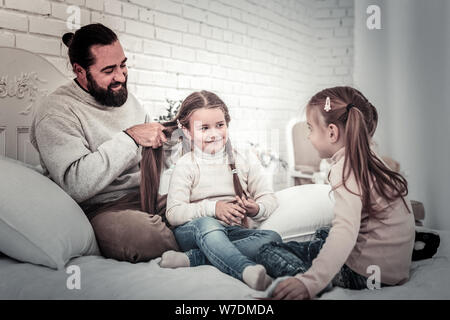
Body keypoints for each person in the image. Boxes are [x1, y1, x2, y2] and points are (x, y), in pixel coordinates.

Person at [30, 23, 179, 263]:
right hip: (101, 209)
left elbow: (152, 155)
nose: (120, 76)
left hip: (145, 195)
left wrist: (174, 140)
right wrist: (130, 137)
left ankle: (203, 239)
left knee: (210, 203)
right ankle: (199, 242)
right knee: (145, 236)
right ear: (80, 71)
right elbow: (75, 184)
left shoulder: (124, 97)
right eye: (109, 70)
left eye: (123, 65)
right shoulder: (57, 111)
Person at [256, 86, 416, 299]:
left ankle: (301, 279)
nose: (309, 137)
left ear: (332, 132)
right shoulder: (371, 159)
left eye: (311, 128)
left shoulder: (345, 169)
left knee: (267, 251)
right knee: (324, 232)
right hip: (391, 270)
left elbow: (345, 232)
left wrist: (310, 283)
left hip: (367, 275)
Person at [149, 90, 282, 291]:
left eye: (220, 125)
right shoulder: (186, 165)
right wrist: (213, 208)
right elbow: (174, 214)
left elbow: (267, 196)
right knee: (208, 223)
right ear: (186, 131)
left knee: (272, 238)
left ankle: (193, 259)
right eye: (204, 128)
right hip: (194, 231)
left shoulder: (243, 159)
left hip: (231, 232)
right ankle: (246, 270)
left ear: (227, 124)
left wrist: (257, 208)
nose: (214, 133)